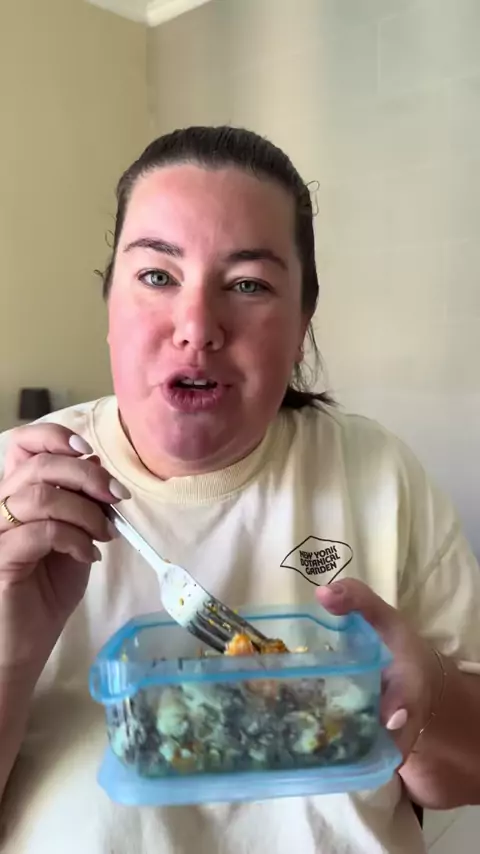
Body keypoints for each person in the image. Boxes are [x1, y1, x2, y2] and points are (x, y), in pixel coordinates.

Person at [0, 126, 479, 854]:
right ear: (109, 306)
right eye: (157, 276)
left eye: (248, 284)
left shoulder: (379, 475)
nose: (196, 327)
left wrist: (426, 695)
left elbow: (466, 773)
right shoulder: (17, 490)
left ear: (301, 324)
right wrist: (12, 649)